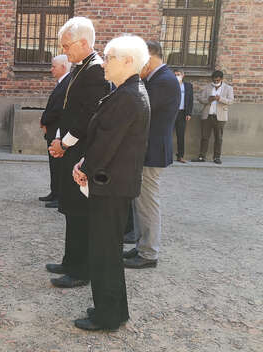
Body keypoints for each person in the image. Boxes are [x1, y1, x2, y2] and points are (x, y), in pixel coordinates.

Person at [72, 34, 150, 332]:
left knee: (105, 253)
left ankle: (108, 315)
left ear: (128, 61)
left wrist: (85, 168)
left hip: (111, 187)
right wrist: (86, 163)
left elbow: (106, 144)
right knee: (106, 251)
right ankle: (113, 309)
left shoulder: (129, 96)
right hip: (113, 185)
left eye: (110, 58)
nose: (104, 63)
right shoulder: (127, 92)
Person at [46, 17, 111, 288]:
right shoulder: (79, 68)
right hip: (70, 147)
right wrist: (59, 138)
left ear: (84, 42)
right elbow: (67, 109)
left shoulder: (95, 70)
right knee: (71, 208)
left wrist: (65, 143)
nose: (65, 50)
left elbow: (87, 116)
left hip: (81, 150)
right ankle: (70, 260)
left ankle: (80, 270)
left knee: (80, 211)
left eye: (67, 45)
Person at [123, 40, 180, 269]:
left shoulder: (164, 80)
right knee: (141, 202)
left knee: (147, 203)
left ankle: (149, 253)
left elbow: (142, 109)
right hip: (147, 149)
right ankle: (142, 244)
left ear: (150, 56)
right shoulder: (157, 78)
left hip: (153, 150)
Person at [39, 55, 72, 208]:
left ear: (63, 67)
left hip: (58, 130)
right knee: (54, 164)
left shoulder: (67, 83)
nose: (51, 69)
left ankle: (60, 196)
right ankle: (54, 192)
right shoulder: (62, 82)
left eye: (54, 67)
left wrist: (45, 120)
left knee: (59, 165)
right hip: (52, 129)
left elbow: (58, 109)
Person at [191, 70, 234, 164]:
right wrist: (208, 100)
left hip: (220, 117)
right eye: (214, 80)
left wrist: (220, 99)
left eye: (217, 80)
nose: (215, 82)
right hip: (207, 116)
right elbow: (200, 99)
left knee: (218, 138)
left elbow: (231, 101)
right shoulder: (207, 87)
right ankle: (202, 157)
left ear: (222, 79)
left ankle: (217, 157)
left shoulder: (228, 88)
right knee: (204, 137)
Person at [173, 69, 193, 163]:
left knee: (180, 135)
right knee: (167, 135)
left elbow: (190, 100)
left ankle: (180, 156)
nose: (177, 76)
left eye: (179, 74)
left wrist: (189, 113)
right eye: (175, 74)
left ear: (183, 75)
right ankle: (166, 155)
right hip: (171, 113)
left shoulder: (188, 86)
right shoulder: (171, 85)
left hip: (182, 113)